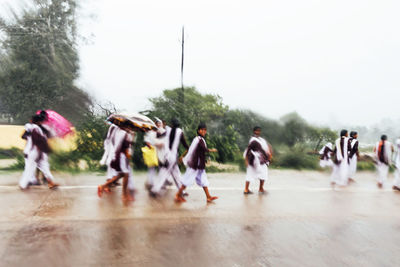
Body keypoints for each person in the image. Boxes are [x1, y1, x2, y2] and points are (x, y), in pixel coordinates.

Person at [176, 123, 218, 203]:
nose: (204, 131)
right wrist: (212, 150)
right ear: (198, 130)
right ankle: (178, 195)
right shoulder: (199, 139)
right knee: (187, 180)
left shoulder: (198, 139)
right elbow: (204, 149)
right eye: (202, 130)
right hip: (195, 164)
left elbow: (191, 149)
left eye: (205, 130)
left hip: (199, 165)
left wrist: (183, 156)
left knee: (203, 180)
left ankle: (208, 197)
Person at [150, 118, 189, 196]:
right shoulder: (180, 132)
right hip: (173, 156)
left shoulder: (168, 130)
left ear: (172, 124)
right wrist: (189, 149)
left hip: (167, 155)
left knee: (176, 174)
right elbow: (184, 144)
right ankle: (155, 190)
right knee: (165, 173)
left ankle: (181, 191)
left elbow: (159, 136)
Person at [97, 122, 135, 201]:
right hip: (122, 157)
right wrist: (132, 137)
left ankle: (103, 186)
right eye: (128, 126)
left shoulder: (116, 132)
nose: (129, 128)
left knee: (121, 175)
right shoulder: (124, 134)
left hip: (117, 156)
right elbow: (127, 148)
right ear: (125, 126)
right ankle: (124, 195)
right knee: (126, 175)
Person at [19, 114, 58, 190]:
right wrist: (46, 149)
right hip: (33, 152)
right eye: (41, 121)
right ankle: (23, 184)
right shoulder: (35, 129)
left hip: (35, 152)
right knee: (30, 168)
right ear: (38, 122)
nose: (42, 122)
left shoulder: (33, 128)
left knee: (44, 166)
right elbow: (38, 141)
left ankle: (51, 182)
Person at [243, 126, 272, 194]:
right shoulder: (253, 140)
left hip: (262, 159)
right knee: (250, 173)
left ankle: (261, 188)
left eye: (259, 131)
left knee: (264, 173)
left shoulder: (261, 140)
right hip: (254, 159)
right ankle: (246, 189)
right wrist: (246, 160)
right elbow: (248, 149)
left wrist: (268, 157)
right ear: (254, 131)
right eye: (257, 131)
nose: (258, 132)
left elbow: (265, 149)